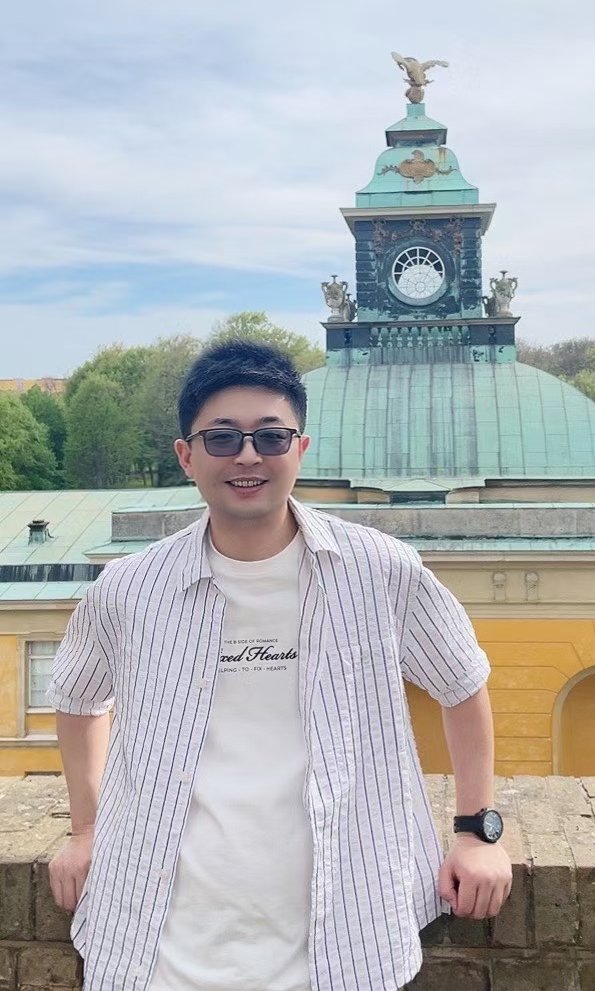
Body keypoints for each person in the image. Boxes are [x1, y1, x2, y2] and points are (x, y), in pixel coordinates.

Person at [47, 339, 513, 991]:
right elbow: (77, 698)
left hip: (343, 937)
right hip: (156, 943)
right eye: (221, 437)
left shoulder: (379, 570)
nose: (247, 455)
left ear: (300, 448)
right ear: (186, 455)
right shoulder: (129, 587)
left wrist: (476, 830)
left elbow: (462, 683)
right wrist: (87, 827)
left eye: (270, 436)